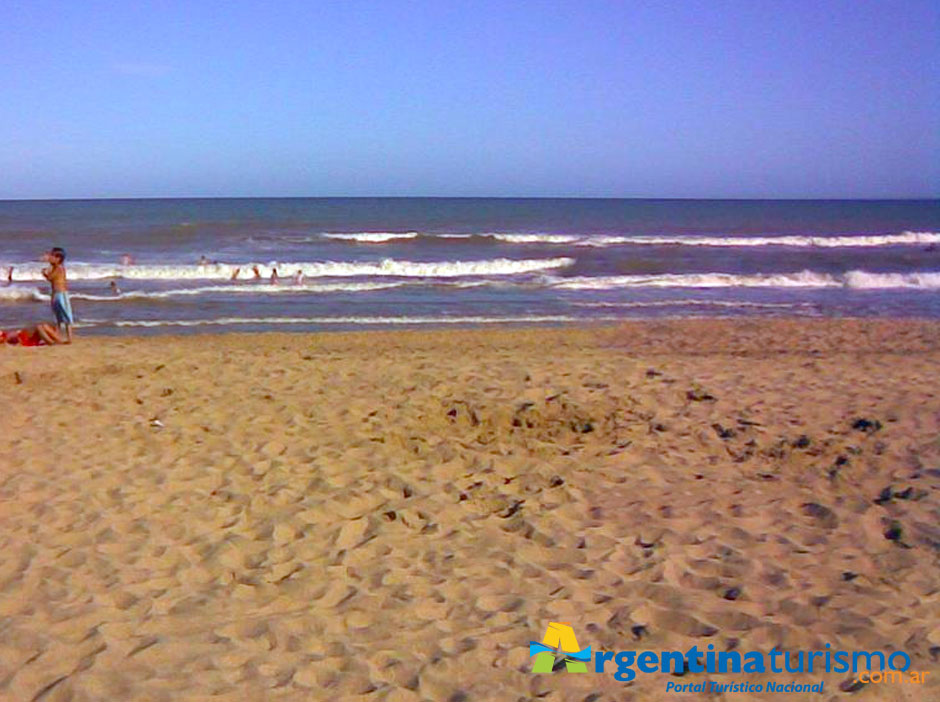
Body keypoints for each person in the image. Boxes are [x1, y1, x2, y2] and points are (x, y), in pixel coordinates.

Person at [42, 247, 73, 343]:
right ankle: (57, 335)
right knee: (58, 317)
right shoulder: (55, 268)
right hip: (55, 293)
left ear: (58, 258)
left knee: (67, 316)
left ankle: (69, 337)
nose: (50, 258)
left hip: (61, 293)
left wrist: (45, 274)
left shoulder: (59, 268)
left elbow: (51, 277)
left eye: (52, 256)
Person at [1, 323, 65, 346]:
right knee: (39, 327)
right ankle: (51, 342)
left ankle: (59, 340)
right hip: (27, 341)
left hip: (27, 337)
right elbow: (6, 341)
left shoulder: (2, 333)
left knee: (44, 325)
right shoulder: (3, 337)